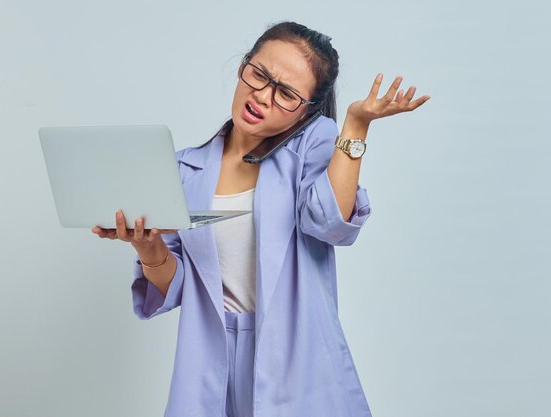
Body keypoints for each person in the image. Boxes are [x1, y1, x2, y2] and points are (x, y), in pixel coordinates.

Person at [92, 20, 429, 417]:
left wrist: (356, 125)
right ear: (244, 65)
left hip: (296, 357)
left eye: (286, 93)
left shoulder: (314, 145)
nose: (263, 97)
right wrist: (147, 246)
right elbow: (175, 286)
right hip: (209, 358)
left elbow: (331, 223)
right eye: (259, 75)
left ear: (306, 112)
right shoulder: (185, 168)